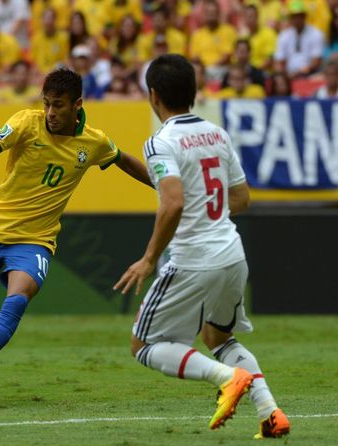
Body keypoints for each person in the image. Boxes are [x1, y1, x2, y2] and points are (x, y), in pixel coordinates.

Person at [0, 68, 152, 400]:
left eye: (59, 105)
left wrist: (164, 187)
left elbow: (125, 161)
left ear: (77, 105)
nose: (51, 113)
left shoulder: (92, 142)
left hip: (35, 241)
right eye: (47, 104)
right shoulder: (26, 122)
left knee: (16, 301)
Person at [114, 54, 290, 439]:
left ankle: (229, 378)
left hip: (193, 260)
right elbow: (241, 198)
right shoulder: (216, 133)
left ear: (153, 95)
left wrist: (148, 259)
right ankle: (271, 412)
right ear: (193, 93)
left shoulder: (161, 142)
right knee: (218, 337)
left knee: (143, 345)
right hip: (231, 253)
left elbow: (174, 201)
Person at [274, 0, 324, 79]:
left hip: (310, 74)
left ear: (304, 16)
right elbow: (279, 61)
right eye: (294, 16)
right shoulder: (284, 35)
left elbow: (316, 62)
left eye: (299, 16)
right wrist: (283, 74)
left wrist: (300, 72)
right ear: (290, 18)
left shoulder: (316, 34)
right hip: (289, 76)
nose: (297, 19)